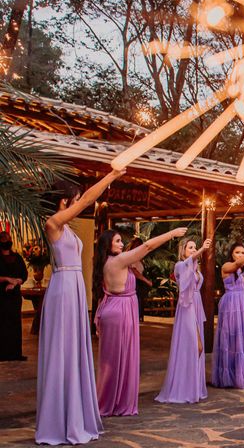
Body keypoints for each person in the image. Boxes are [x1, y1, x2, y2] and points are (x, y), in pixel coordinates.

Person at [36, 171, 123, 445]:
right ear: (64, 201)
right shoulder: (52, 224)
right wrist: (112, 175)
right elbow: (87, 199)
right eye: (73, 200)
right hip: (63, 289)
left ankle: (75, 413)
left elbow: (83, 201)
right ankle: (57, 421)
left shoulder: (68, 228)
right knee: (61, 349)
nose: (77, 204)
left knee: (74, 349)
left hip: (73, 288)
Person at [94, 227, 187, 416]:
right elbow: (147, 246)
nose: (122, 244)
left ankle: (112, 399)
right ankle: (112, 402)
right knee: (117, 359)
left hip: (114, 308)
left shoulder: (107, 261)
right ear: (108, 244)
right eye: (118, 241)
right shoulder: (118, 260)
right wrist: (172, 233)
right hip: (120, 310)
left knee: (113, 359)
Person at [156, 238, 211, 403]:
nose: (194, 250)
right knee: (194, 346)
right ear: (183, 250)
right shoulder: (180, 265)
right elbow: (186, 271)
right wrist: (202, 249)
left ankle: (193, 387)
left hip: (196, 305)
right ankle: (183, 388)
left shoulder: (195, 268)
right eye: (190, 248)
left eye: (195, 247)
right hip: (187, 308)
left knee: (197, 347)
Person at [211, 242, 244, 389]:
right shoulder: (227, 266)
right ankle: (230, 376)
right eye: (237, 252)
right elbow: (238, 263)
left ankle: (243, 373)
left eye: (242, 252)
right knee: (231, 339)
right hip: (231, 307)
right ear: (232, 254)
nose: (240, 254)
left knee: (243, 339)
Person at [0, 231, 28, 361]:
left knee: (15, 324)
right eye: (4, 240)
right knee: (2, 325)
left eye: (8, 239)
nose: (7, 242)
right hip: (1, 297)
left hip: (14, 296)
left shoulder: (17, 258)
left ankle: (15, 353)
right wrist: (7, 279)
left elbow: (24, 274)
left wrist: (16, 282)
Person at [126, 237, 153, 322]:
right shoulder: (131, 257)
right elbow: (135, 272)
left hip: (139, 283)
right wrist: (146, 281)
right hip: (134, 282)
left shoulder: (138, 258)